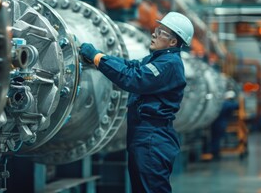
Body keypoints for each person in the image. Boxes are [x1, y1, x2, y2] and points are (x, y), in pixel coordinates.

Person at [79, 12, 194, 192]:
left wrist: (97, 58)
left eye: (162, 32)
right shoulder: (158, 59)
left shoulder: (169, 64)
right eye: (157, 29)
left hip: (152, 137)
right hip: (143, 135)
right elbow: (130, 66)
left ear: (173, 42)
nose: (154, 34)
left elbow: (134, 79)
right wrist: (101, 57)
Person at [210, 90, 239, 160]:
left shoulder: (221, 103)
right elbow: (236, 105)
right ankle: (215, 154)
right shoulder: (227, 104)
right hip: (220, 124)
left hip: (214, 123)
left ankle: (214, 152)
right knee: (217, 139)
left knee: (215, 138)